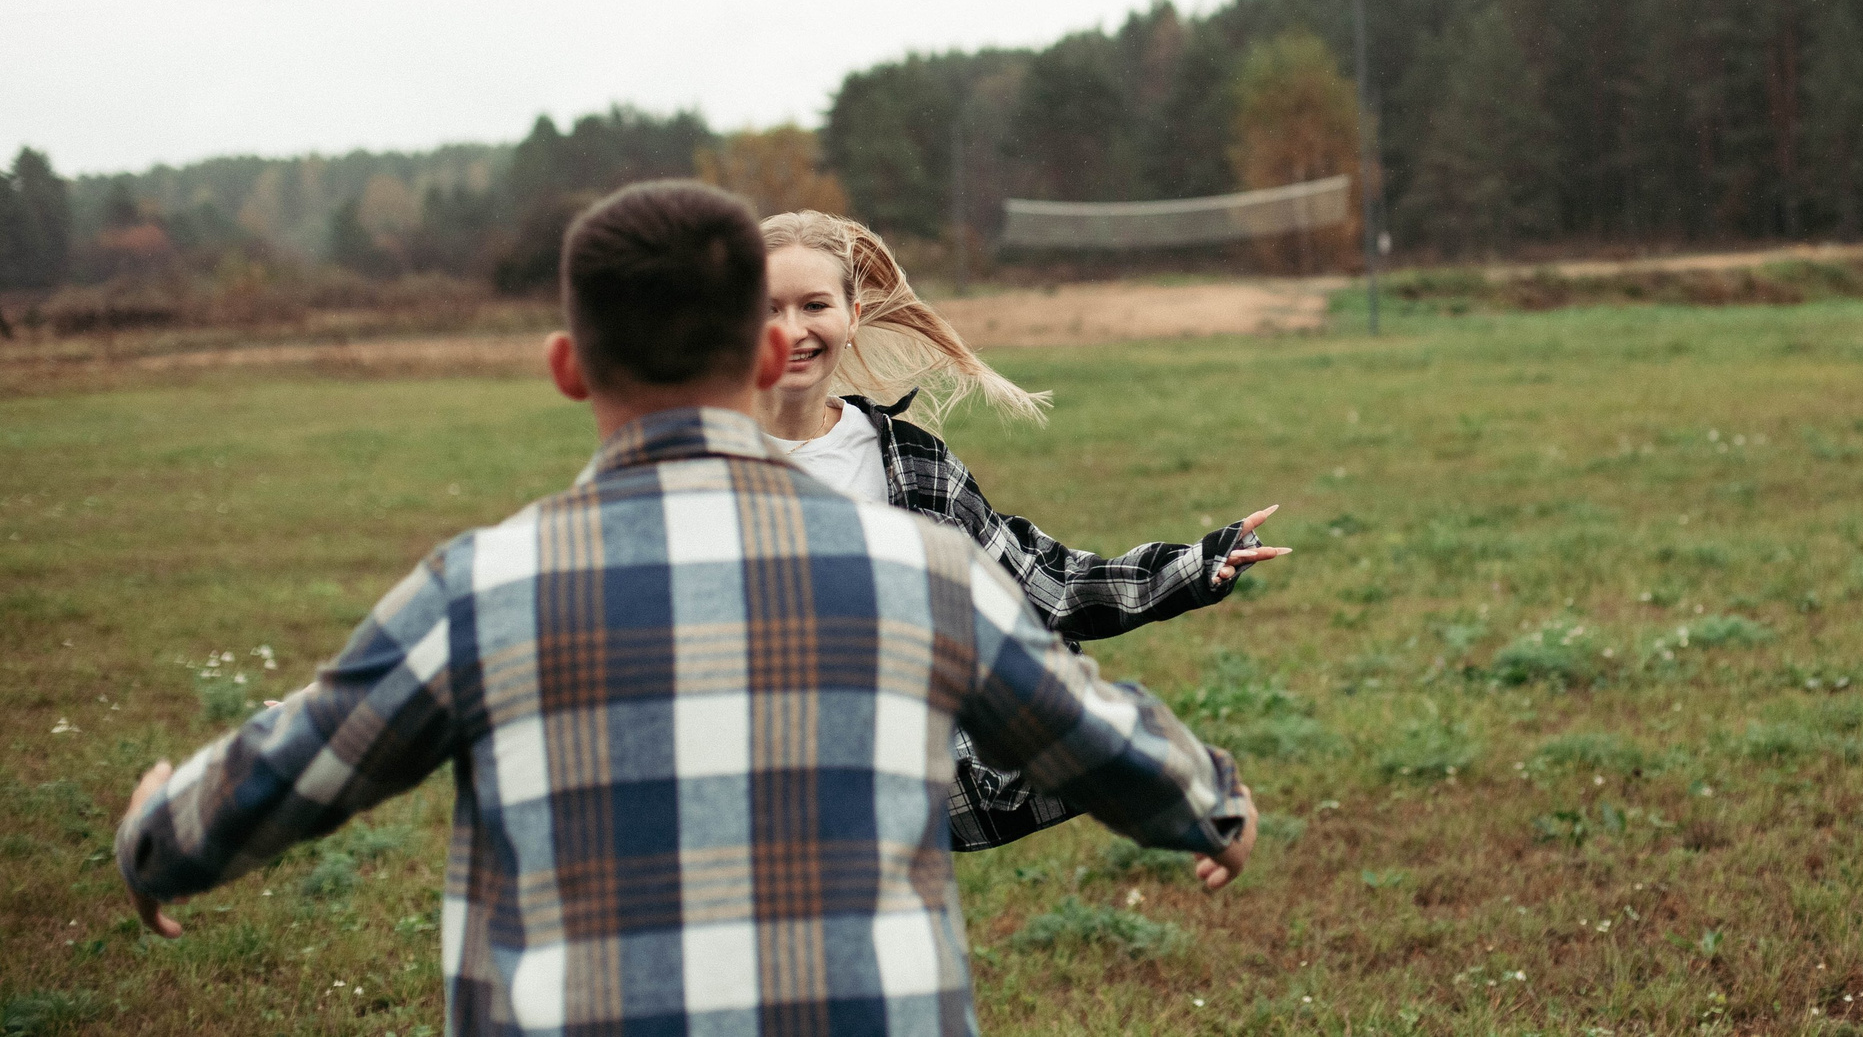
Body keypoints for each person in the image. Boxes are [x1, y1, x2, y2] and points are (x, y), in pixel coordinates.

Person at [116, 181, 1255, 1036]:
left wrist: (163, 837)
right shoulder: (920, 574)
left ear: (568, 367)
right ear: (764, 348)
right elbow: (1100, 740)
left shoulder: (480, 589)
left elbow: (298, 761)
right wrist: (1211, 804)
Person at [755, 209, 1290, 849]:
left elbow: (1044, 586)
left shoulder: (912, 465)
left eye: (815, 305)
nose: (792, 330)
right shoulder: (698, 470)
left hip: (883, 797)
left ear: (854, 314)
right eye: (766, 308)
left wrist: (1192, 568)